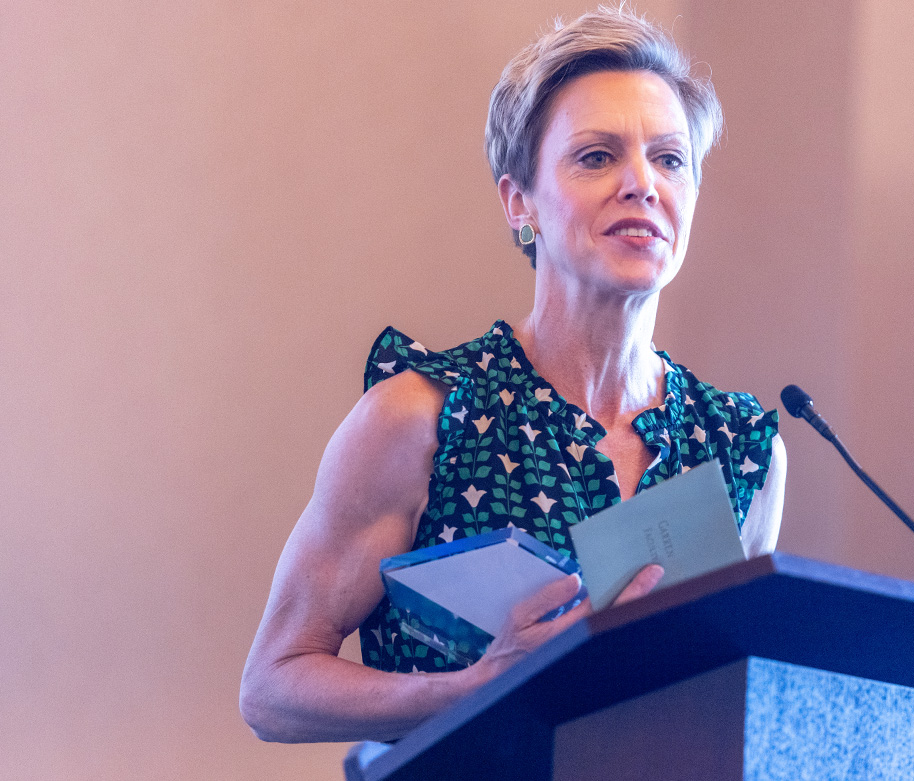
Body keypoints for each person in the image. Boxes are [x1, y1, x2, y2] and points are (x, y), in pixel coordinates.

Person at [240, 6, 786, 744]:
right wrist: (473, 689)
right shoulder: (422, 416)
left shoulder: (742, 451)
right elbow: (273, 687)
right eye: (596, 156)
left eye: (669, 158)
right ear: (518, 201)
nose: (641, 184)